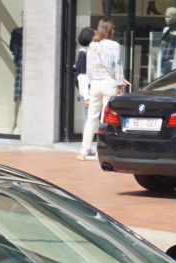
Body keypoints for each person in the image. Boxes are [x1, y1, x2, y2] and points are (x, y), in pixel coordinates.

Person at [80, 18, 126, 161]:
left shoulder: (92, 46)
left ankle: (84, 150)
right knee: (106, 119)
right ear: (110, 29)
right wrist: (119, 85)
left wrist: (89, 86)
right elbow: (117, 66)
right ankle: (104, 148)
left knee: (91, 118)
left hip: (95, 84)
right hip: (109, 83)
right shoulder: (114, 45)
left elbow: (88, 69)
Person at [73, 26, 95, 127]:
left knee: (90, 117)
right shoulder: (83, 54)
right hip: (88, 91)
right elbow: (82, 76)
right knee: (88, 117)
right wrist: (86, 97)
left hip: (91, 90)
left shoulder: (89, 52)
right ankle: (86, 141)